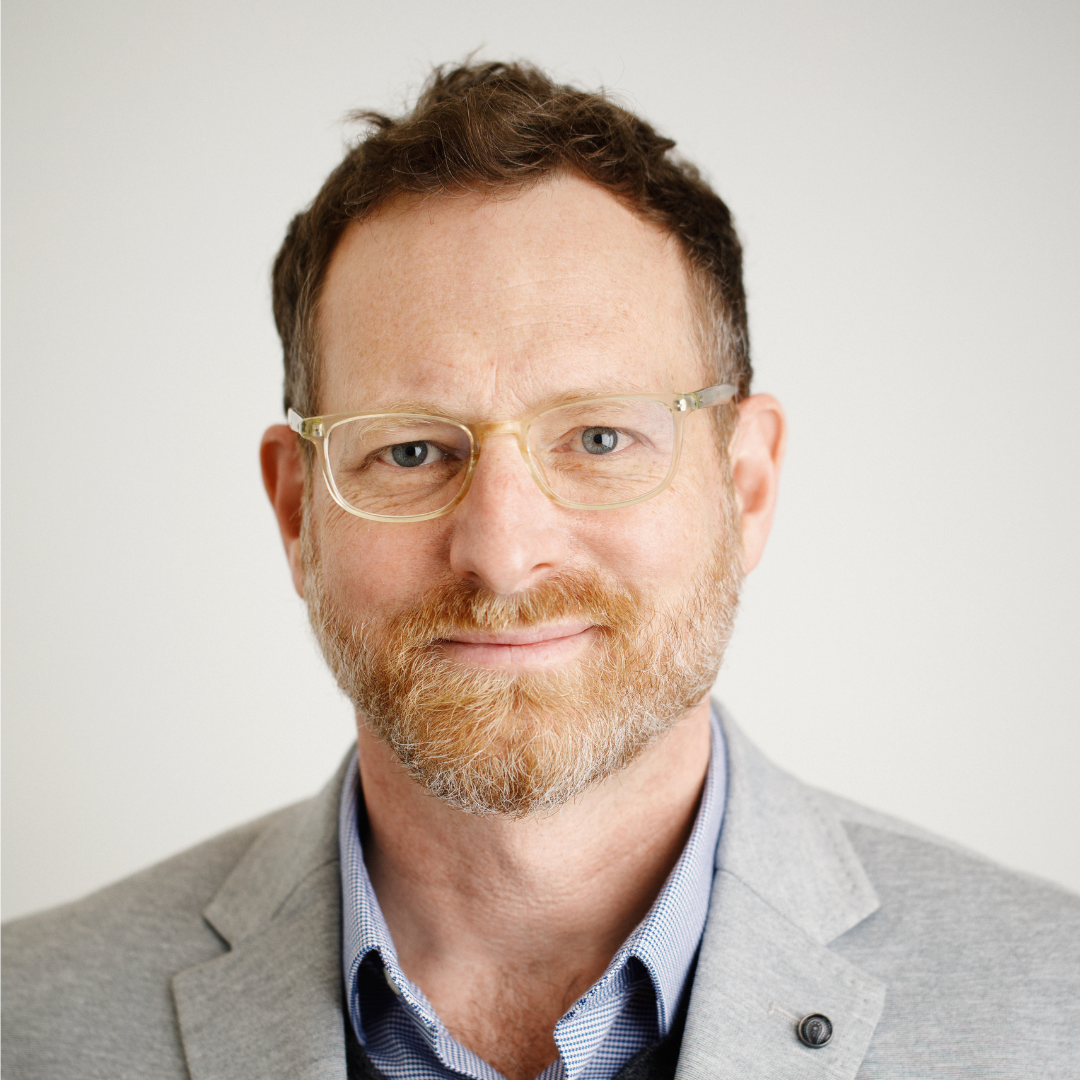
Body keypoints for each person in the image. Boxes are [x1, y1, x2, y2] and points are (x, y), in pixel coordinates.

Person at [3, 60, 1078, 1080]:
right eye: (411, 451)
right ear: (297, 510)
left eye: (600, 439)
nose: (504, 556)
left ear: (744, 486)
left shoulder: (1055, 1007)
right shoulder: (28, 1020)